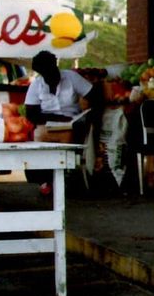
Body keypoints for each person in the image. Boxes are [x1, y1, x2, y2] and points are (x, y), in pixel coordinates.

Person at [24, 50, 101, 194]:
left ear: (56, 67)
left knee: (67, 136)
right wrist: (57, 119)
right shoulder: (36, 85)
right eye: (46, 76)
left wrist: (89, 117)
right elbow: (31, 114)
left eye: (52, 73)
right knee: (38, 136)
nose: (51, 78)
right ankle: (45, 180)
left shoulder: (71, 77)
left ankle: (64, 175)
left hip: (72, 122)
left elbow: (95, 95)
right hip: (47, 123)